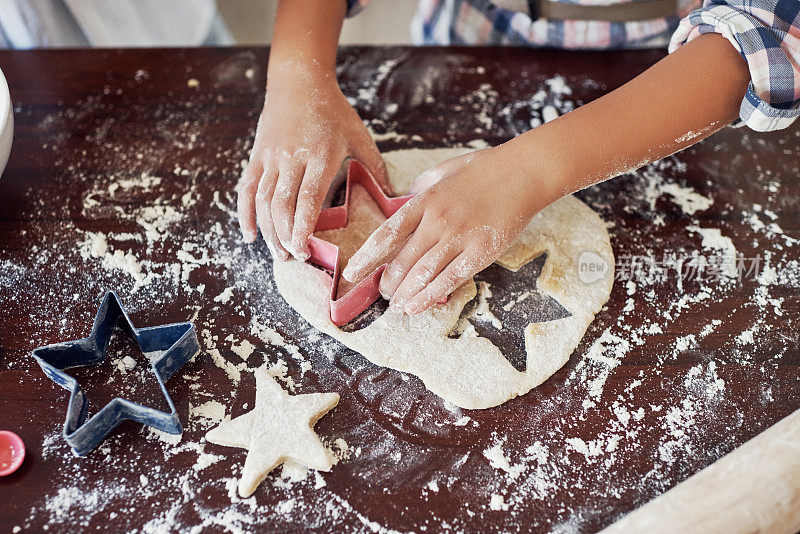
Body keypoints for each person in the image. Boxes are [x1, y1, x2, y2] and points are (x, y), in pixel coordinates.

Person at [237, 0, 799, 316]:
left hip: (661, 82)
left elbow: (761, 38)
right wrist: (296, 78)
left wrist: (527, 171)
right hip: (468, 39)